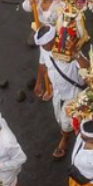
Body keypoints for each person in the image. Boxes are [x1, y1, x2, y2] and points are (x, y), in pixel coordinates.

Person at [35, 25, 86, 158]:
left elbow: (87, 67)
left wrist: (75, 53)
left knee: (65, 120)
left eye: (45, 45)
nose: (43, 48)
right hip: (58, 92)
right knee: (59, 117)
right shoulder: (44, 49)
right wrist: (38, 82)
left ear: (52, 40)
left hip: (75, 92)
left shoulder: (69, 48)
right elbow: (42, 64)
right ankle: (69, 131)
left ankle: (65, 139)